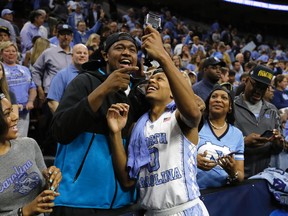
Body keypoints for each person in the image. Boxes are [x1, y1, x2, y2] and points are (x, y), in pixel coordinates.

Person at [106, 25, 208, 215]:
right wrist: (115, 132)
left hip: (184, 209)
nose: (152, 81)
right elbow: (127, 181)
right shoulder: (138, 125)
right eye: (151, 80)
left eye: (160, 79)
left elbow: (193, 114)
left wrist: (163, 56)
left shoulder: (179, 116)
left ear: (173, 92)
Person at [50, 32, 148, 215]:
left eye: (132, 49)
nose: (127, 52)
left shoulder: (139, 94)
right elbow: (60, 130)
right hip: (78, 201)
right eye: (119, 48)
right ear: (105, 55)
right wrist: (104, 89)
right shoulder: (84, 81)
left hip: (122, 203)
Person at [0, 93, 62, 215]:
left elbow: (45, 193)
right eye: (7, 113)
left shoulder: (29, 144)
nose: (15, 117)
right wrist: (24, 211)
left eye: (13, 111)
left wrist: (52, 182)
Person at [234, 65, 284, 178]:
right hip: (237, 177)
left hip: (264, 177)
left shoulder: (272, 110)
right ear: (246, 81)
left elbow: (277, 150)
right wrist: (244, 142)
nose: (258, 91)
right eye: (256, 85)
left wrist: (278, 144)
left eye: (263, 87)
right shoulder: (231, 107)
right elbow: (220, 142)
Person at [196, 85, 244, 189]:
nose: (218, 100)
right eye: (214, 97)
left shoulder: (237, 134)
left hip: (221, 195)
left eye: (224, 98)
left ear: (230, 107)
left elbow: (240, 176)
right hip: (194, 192)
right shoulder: (196, 126)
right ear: (208, 104)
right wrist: (193, 161)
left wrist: (233, 172)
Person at [0, 41, 37, 137]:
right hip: (6, 114)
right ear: (1, 53)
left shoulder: (25, 69)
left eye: (13, 51)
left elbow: (32, 88)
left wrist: (30, 101)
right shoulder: (0, 69)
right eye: (7, 51)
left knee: (22, 140)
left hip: (24, 113)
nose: (11, 53)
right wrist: (12, 106)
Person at [47, 43, 89, 113]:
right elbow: (52, 103)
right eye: (79, 53)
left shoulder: (92, 74)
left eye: (85, 53)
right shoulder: (62, 75)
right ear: (72, 56)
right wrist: (62, 121)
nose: (82, 55)